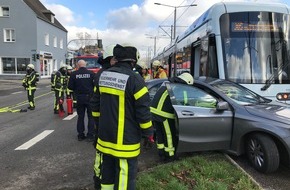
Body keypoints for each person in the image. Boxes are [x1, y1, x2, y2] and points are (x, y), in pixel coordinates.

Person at [92, 44, 154, 189]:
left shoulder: (102, 76)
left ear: (116, 58)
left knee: (106, 176)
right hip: (126, 142)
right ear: (133, 61)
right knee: (124, 177)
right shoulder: (136, 80)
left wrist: (98, 126)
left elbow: (94, 106)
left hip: (105, 139)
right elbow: (143, 112)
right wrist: (148, 134)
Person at [150, 72, 194, 162]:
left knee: (160, 134)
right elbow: (185, 102)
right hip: (163, 113)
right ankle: (170, 156)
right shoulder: (181, 87)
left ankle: (161, 153)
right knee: (169, 135)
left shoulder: (168, 83)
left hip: (154, 111)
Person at [90, 44, 117, 190]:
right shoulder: (105, 75)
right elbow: (97, 100)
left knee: (102, 155)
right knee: (102, 155)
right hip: (105, 122)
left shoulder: (103, 73)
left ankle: (100, 180)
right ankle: (98, 181)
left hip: (103, 121)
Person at [68, 60, 95, 142]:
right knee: (91, 117)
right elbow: (95, 85)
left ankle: (80, 135)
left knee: (81, 116)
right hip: (90, 97)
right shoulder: (91, 74)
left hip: (79, 97)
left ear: (78, 65)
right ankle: (90, 135)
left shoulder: (74, 74)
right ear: (85, 65)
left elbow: (70, 87)